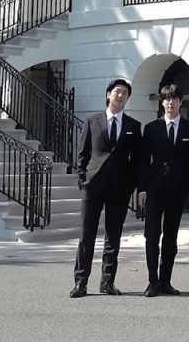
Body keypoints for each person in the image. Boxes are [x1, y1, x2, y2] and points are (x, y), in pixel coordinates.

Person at [70, 78, 142, 298]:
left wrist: (132, 184)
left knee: (113, 236)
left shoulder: (133, 126)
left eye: (125, 93)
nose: (121, 96)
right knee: (87, 235)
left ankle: (107, 282)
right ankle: (81, 282)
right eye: (117, 91)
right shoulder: (92, 121)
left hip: (119, 187)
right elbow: (82, 154)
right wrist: (82, 180)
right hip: (93, 185)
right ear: (108, 94)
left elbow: (137, 159)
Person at [137, 84, 189, 297]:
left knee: (171, 237)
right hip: (154, 190)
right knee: (152, 235)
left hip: (178, 190)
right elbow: (143, 161)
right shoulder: (151, 128)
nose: (170, 102)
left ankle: (166, 281)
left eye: (174, 98)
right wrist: (142, 189)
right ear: (161, 102)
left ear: (181, 102)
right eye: (166, 98)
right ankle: (152, 281)